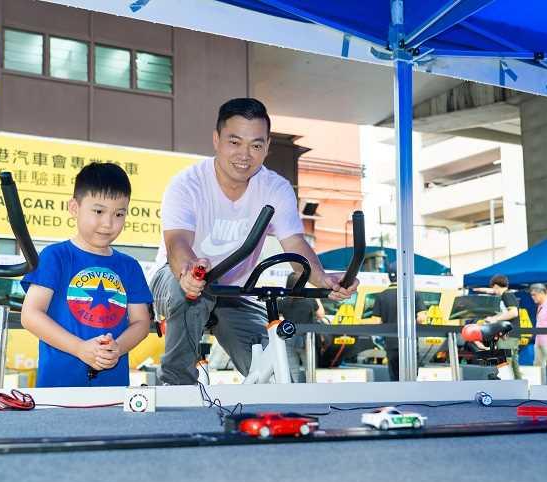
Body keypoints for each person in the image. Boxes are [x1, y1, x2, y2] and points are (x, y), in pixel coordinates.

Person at [150, 98, 357, 385]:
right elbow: (177, 242)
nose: (244, 155)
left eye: (256, 145)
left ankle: (274, 402)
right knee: (189, 291)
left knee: (271, 370)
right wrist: (188, 271)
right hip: (177, 279)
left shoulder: (275, 188)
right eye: (235, 142)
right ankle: (176, 385)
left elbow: (295, 244)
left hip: (234, 291)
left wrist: (322, 278)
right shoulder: (187, 184)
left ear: (267, 147)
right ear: (216, 140)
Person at [21, 163, 152, 387]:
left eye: (119, 214)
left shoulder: (129, 266)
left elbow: (141, 322)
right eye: (98, 211)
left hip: (113, 391)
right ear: (74, 208)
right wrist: (79, 348)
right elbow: (30, 314)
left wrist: (118, 348)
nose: (108, 223)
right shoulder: (55, 256)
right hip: (58, 389)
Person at [370, 265, 427, 381]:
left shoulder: (381, 296)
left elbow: (376, 322)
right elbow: (422, 318)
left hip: (391, 343)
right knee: (411, 377)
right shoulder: (414, 294)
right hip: (410, 342)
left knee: (395, 377)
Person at [279, 270, 326, 382]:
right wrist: (317, 298)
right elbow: (321, 315)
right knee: (310, 369)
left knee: (293, 370)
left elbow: (277, 318)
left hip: (289, 338)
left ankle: (295, 390)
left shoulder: (283, 301)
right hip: (307, 339)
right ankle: (311, 389)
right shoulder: (309, 301)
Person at [476, 274, 522, 379]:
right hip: (512, 335)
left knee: (505, 362)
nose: (493, 291)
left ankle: (507, 384)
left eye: (493, 288)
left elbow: (514, 312)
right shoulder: (507, 295)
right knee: (513, 364)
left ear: (496, 286)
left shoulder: (506, 295)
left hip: (508, 335)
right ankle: (520, 385)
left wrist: (495, 319)